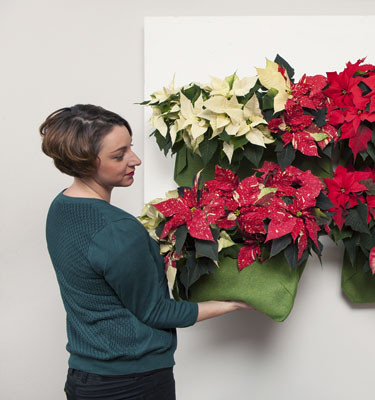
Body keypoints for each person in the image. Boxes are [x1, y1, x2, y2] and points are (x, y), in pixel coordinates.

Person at [40, 104, 252, 400]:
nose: (135, 159)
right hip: (131, 382)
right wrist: (232, 304)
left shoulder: (60, 207)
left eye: (130, 147)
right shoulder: (117, 229)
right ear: (85, 163)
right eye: (119, 155)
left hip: (85, 378)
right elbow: (157, 312)